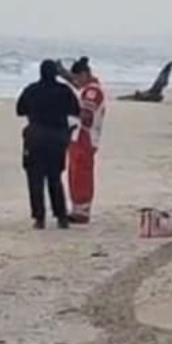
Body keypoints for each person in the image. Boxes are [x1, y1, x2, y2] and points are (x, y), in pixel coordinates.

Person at [16, 60, 79, 229]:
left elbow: (20, 110)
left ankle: (39, 218)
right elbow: (76, 111)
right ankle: (61, 217)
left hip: (35, 136)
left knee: (35, 178)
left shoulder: (31, 90)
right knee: (55, 178)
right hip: (57, 137)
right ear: (56, 74)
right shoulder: (64, 91)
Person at [67, 57, 107, 224]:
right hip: (79, 136)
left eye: (77, 78)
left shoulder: (92, 91)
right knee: (75, 172)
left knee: (82, 173)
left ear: (84, 74)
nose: (76, 81)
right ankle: (77, 207)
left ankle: (82, 210)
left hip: (85, 136)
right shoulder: (87, 90)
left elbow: (87, 116)